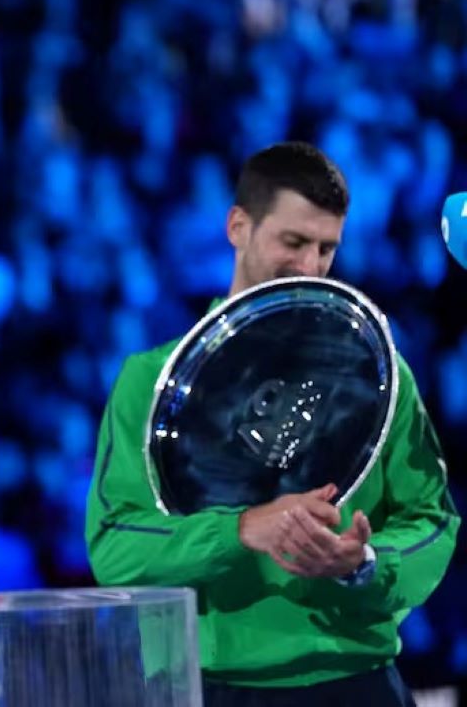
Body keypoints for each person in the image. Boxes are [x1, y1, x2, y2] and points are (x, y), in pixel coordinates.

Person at [85, 141, 459, 706]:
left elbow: (431, 520)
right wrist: (240, 530)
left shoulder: (380, 372)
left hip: (356, 679)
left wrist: (365, 563)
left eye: (326, 248)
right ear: (238, 227)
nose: (310, 267)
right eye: (294, 242)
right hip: (214, 685)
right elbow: (115, 546)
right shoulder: (150, 380)